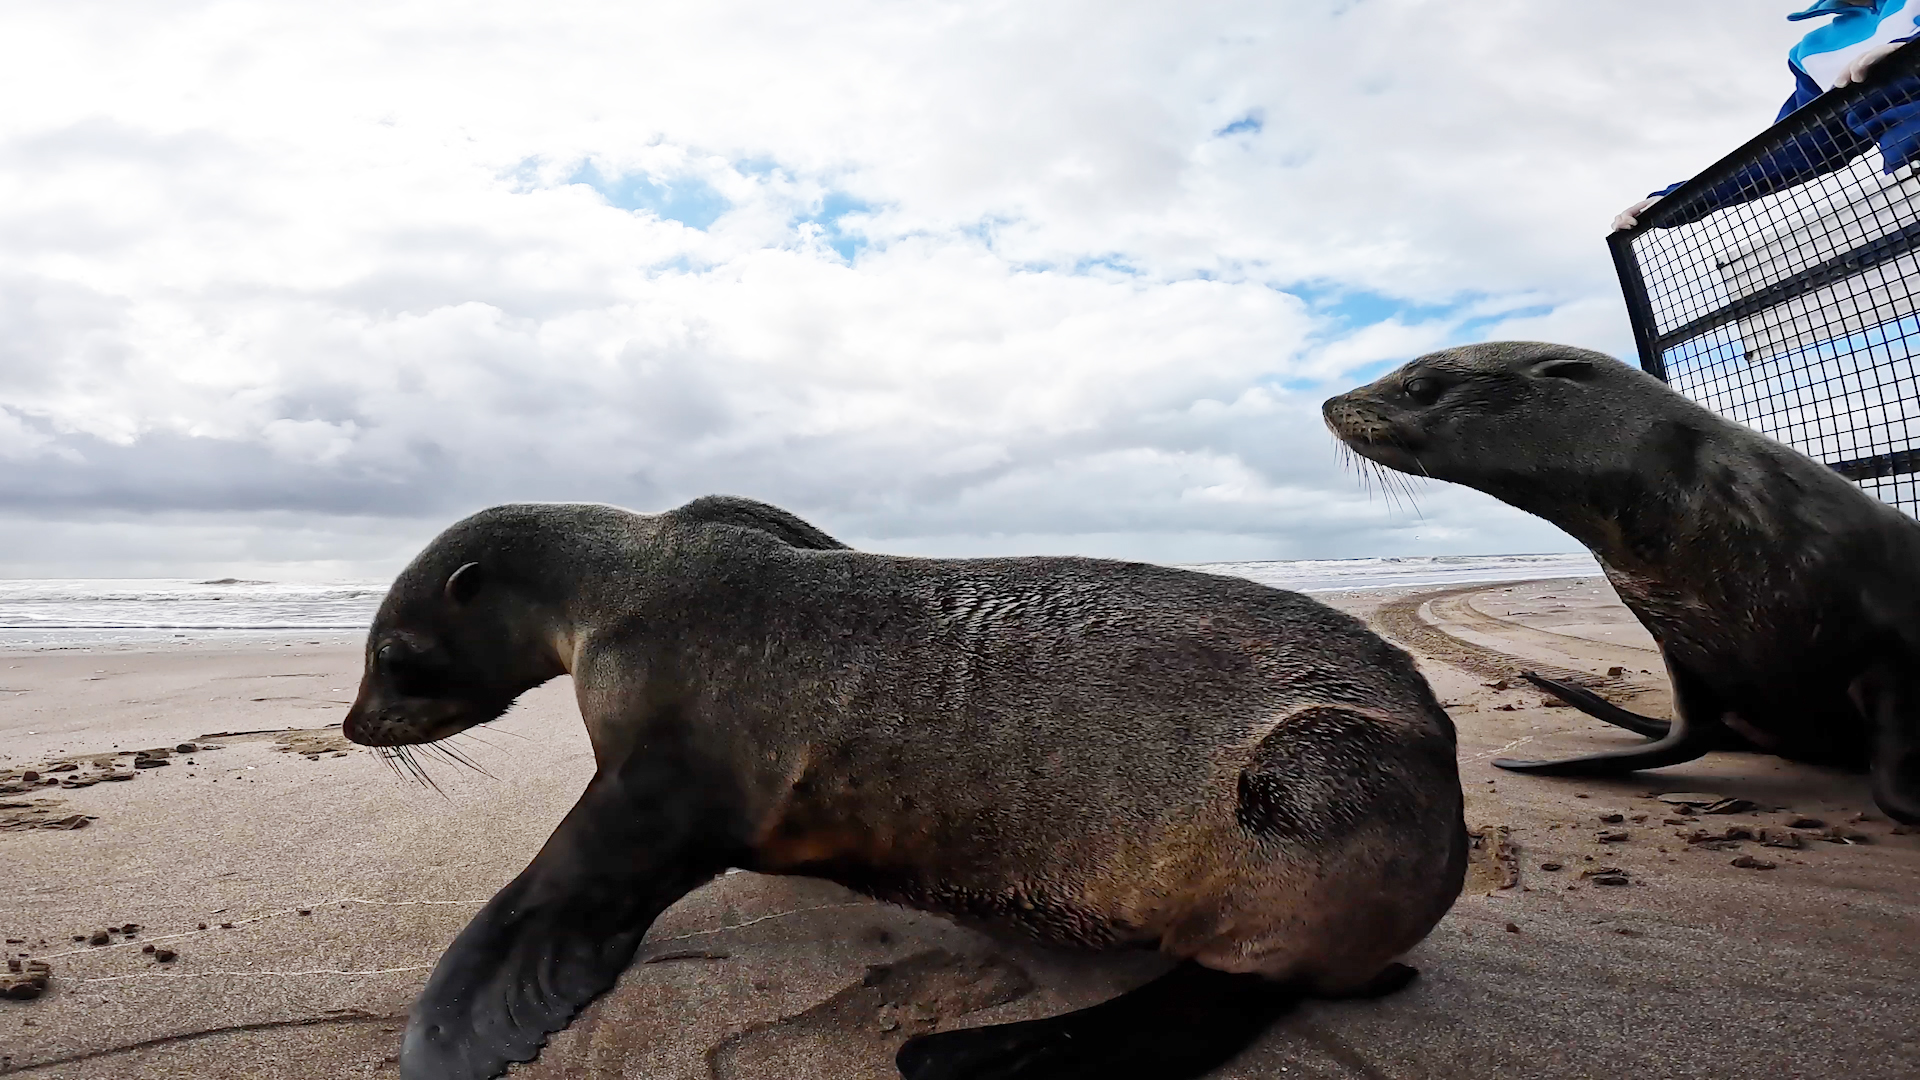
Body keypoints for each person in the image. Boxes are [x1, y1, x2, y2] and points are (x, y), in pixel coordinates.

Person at [1614, 0, 1920, 231]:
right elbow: (1797, 149)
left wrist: (1909, 54)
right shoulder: (1811, 53)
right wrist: (1679, 199)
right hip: (1911, 184)